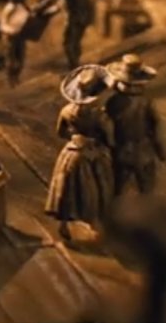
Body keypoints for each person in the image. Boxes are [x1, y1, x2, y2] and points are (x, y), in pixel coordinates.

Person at [45, 65, 116, 241]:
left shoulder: (66, 111)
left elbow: (60, 133)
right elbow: (110, 138)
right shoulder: (100, 116)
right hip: (93, 155)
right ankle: (93, 223)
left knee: (66, 187)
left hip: (71, 153)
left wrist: (75, 137)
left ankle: (63, 224)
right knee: (96, 189)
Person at [104, 54, 165, 197]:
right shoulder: (146, 102)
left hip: (121, 151)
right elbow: (155, 127)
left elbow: (105, 126)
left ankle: (113, 208)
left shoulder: (113, 102)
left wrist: (109, 146)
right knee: (147, 189)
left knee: (117, 189)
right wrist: (160, 151)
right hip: (143, 152)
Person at [0, 0, 60, 88]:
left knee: (20, 58)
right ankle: (10, 80)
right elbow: (3, 24)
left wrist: (48, 12)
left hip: (20, 36)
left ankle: (16, 78)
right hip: (10, 37)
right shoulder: (10, 7)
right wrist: (12, 30)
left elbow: (31, 16)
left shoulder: (23, 6)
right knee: (11, 59)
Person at [53, 0, 96, 69]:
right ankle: (76, 63)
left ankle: (74, 66)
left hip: (74, 16)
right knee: (76, 41)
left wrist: (39, 7)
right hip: (84, 15)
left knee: (68, 42)